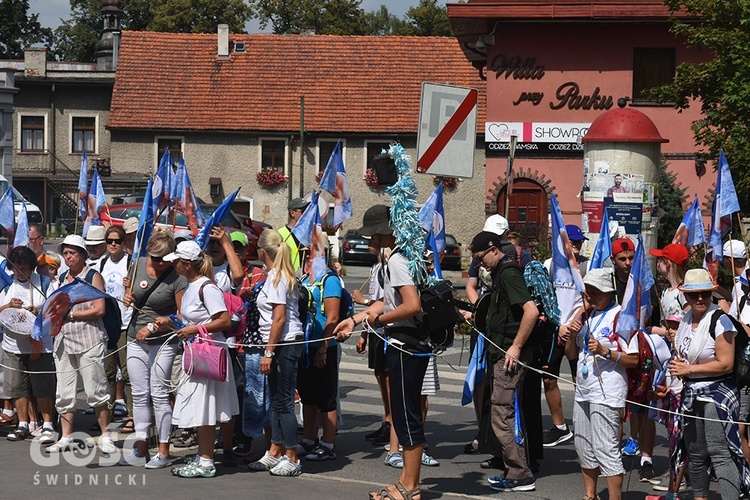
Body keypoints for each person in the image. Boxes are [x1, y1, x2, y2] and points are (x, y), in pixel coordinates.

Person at [335, 229, 430, 500]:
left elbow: (411, 305)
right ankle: (404, 482)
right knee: (402, 414)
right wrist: (356, 319)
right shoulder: (399, 258)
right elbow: (385, 301)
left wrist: (378, 321)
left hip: (406, 346)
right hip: (405, 345)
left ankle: (410, 488)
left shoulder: (399, 261)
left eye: (373, 235)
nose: (370, 241)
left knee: (407, 416)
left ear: (386, 234)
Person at [670, 268, 750, 500]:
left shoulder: (721, 320)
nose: (700, 299)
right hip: (691, 392)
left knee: (720, 453)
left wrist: (690, 369)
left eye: (705, 293)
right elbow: (686, 359)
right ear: (685, 296)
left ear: (711, 293)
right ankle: (700, 497)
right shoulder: (686, 320)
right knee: (695, 454)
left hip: (718, 393)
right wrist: (679, 369)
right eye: (694, 295)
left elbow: (725, 364)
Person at [469, 230, 539, 492]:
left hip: (508, 357)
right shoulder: (501, 273)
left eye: (480, 258)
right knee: (505, 414)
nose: (479, 264)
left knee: (502, 414)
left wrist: (516, 347)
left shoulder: (508, 273)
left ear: (493, 249)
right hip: (500, 352)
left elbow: (530, 311)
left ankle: (520, 474)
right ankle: (515, 470)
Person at [565, 268, 639, 500]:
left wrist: (606, 352)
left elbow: (633, 359)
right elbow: (571, 353)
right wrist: (570, 333)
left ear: (609, 292)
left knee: (606, 448)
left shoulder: (621, 316)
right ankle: (590, 495)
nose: (590, 295)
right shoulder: (586, 316)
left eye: (596, 291)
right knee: (584, 445)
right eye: (588, 291)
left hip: (608, 391)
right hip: (585, 390)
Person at [167, 240, 239, 478]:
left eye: (176, 261)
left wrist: (195, 330)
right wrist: (170, 322)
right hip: (196, 354)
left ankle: (207, 460)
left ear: (187, 264)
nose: (174, 264)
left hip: (207, 355)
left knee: (205, 407)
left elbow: (224, 321)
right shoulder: (191, 285)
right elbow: (190, 317)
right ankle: (203, 454)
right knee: (201, 408)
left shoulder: (207, 288)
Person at [120, 228, 187, 468]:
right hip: (134, 337)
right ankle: (140, 447)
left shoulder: (178, 277)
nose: (159, 263)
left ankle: (164, 451)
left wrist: (155, 325)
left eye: (164, 259)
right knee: (139, 395)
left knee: (159, 395)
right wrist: (127, 296)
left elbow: (181, 316)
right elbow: (130, 293)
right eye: (155, 258)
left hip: (164, 341)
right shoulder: (137, 263)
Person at [46, 235, 114, 454]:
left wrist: (72, 315)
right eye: (65, 253)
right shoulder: (62, 277)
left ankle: (105, 435)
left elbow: (99, 309)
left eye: (72, 253)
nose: (68, 257)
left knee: (96, 389)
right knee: (64, 392)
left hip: (89, 339)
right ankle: (65, 436)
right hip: (63, 340)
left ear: (83, 254)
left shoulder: (93, 276)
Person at [247, 229, 305, 476]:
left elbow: (279, 319)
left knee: (283, 403)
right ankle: (275, 451)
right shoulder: (274, 276)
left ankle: (292, 456)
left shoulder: (277, 278)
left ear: (262, 251)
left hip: (284, 344)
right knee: (277, 401)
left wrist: (268, 353)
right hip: (278, 343)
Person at [0, 245, 56, 444]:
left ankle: (48, 424)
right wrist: (8, 306)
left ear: (32, 267)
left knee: (42, 386)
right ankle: (23, 423)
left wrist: (38, 313)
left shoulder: (44, 283)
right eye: (17, 268)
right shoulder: (7, 286)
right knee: (17, 387)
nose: (21, 272)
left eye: (25, 268)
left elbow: (56, 309)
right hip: (13, 345)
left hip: (39, 345)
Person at [541, 224, 589, 449]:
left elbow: (591, 299)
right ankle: (560, 427)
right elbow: (545, 296)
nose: (577, 246)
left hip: (578, 330)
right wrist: (558, 324)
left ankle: (586, 424)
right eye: (573, 242)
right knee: (548, 378)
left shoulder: (587, 266)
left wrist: (574, 323)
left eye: (580, 242)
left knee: (580, 378)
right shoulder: (549, 265)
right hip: (554, 330)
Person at [610, 237, 659, 463]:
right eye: (622, 259)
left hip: (637, 344)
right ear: (613, 260)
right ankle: (614, 446)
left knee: (640, 395)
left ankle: (635, 440)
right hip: (614, 342)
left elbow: (651, 316)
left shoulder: (641, 282)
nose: (628, 263)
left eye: (631, 258)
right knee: (618, 397)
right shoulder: (609, 283)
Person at [350, 205, 393, 447]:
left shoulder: (389, 266)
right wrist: (364, 335)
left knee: (388, 378)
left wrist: (363, 301)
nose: (368, 241)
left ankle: (391, 422)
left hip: (387, 330)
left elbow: (383, 302)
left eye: (372, 238)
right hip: (375, 327)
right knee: (379, 375)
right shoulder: (375, 267)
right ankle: (387, 420)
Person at [297, 245, 342, 461]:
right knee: (308, 396)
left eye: (311, 251)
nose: (307, 255)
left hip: (323, 347)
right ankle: (308, 439)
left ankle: (328, 444)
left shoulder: (329, 280)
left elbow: (332, 318)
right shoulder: (305, 279)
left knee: (326, 397)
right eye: (305, 252)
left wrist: (323, 348)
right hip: (306, 346)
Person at [100, 225, 134, 433]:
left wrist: (131, 285)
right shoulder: (102, 263)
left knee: (128, 373)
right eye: (109, 241)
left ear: (124, 243)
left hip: (125, 323)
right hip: (107, 324)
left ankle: (132, 416)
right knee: (108, 373)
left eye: (117, 241)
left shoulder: (130, 263)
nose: (113, 244)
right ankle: (107, 415)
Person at [277, 197, 309, 272]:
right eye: (303, 211)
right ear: (292, 213)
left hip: (306, 278)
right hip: (289, 277)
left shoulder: (308, 233)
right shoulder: (280, 234)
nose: (306, 214)